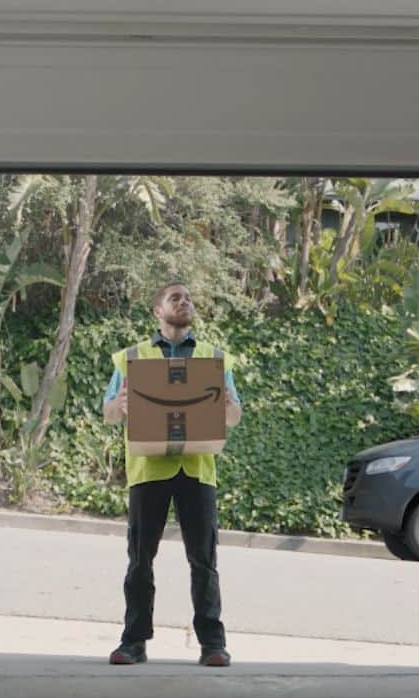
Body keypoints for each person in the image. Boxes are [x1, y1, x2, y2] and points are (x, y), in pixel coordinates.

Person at [103, 282, 242, 667]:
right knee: (139, 560)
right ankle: (133, 642)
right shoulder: (133, 359)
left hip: (197, 470)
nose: (185, 302)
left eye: (189, 298)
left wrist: (229, 405)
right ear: (157, 311)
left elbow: (233, 417)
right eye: (175, 297)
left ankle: (212, 644)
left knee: (204, 560)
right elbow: (109, 413)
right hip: (148, 470)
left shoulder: (214, 360)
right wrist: (121, 403)